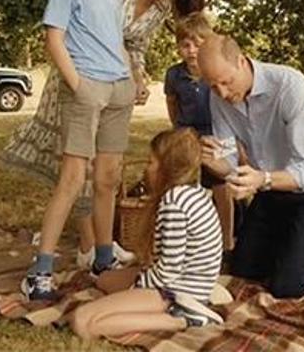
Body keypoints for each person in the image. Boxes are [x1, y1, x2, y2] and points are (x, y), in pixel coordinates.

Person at [5, 0, 212, 269]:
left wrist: (139, 78)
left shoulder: (161, 8)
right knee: (79, 168)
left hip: (115, 85)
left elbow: (136, 46)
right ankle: (87, 246)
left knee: (106, 171)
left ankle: (98, 248)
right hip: (81, 78)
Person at [21, 0, 142, 300]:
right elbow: (53, 38)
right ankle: (40, 270)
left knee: (108, 179)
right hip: (87, 88)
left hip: (118, 90)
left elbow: (116, 38)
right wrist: (78, 85)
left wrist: (131, 77)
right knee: (73, 179)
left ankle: (103, 259)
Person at [197, 34, 304, 299]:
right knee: (245, 269)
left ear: (242, 62)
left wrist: (262, 180)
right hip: (270, 191)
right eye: (213, 85)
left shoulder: (291, 87)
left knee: (288, 286)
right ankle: (296, 241)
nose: (221, 92)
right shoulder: (217, 96)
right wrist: (212, 162)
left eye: (226, 82)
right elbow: (230, 164)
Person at [70, 128, 224, 340]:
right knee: (104, 280)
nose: (146, 169)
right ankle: (171, 307)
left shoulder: (174, 203)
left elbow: (168, 272)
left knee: (82, 321)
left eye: (151, 163)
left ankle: (182, 319)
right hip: (182, 282)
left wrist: (136, 288)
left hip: (174, 292)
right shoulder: (192, 191)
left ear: (167, 168)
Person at [163, 14, 240, 253]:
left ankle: (227, 240)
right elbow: (172, 104)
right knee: (184, 186)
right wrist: (181, 131)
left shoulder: (214, 74)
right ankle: (187, 240)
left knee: (221, 187)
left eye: (198, 44)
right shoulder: (175, 75)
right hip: (188, 135)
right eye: (185, 45)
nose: (192, 50)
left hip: (217, 135)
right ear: (178, 47)